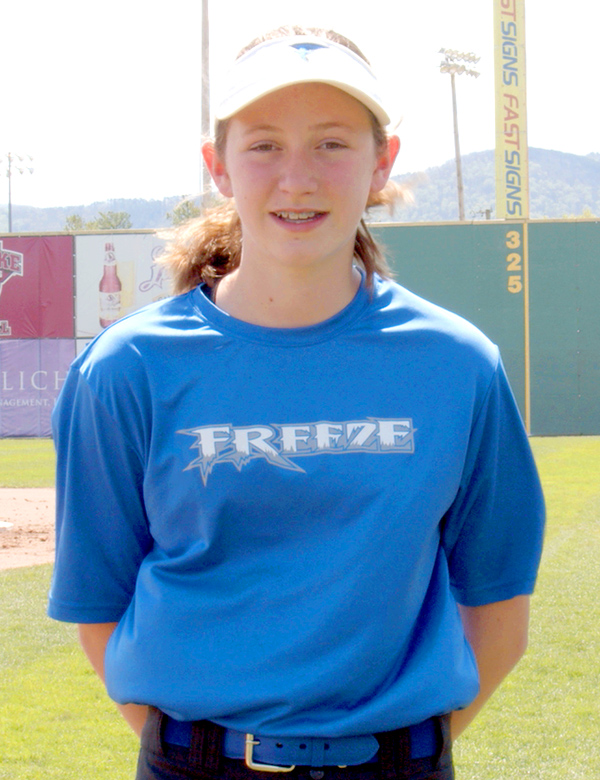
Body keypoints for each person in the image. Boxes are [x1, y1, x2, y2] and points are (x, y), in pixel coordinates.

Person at [48, 26, 545, 780]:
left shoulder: (458, 364)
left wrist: (395, 758)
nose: (297, 178)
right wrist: (203, 757)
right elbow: (98, 602)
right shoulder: (128, 368)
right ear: (218, 166)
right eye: (264, 146)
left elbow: (500, 611)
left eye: (331, 144)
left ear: (383, 162)